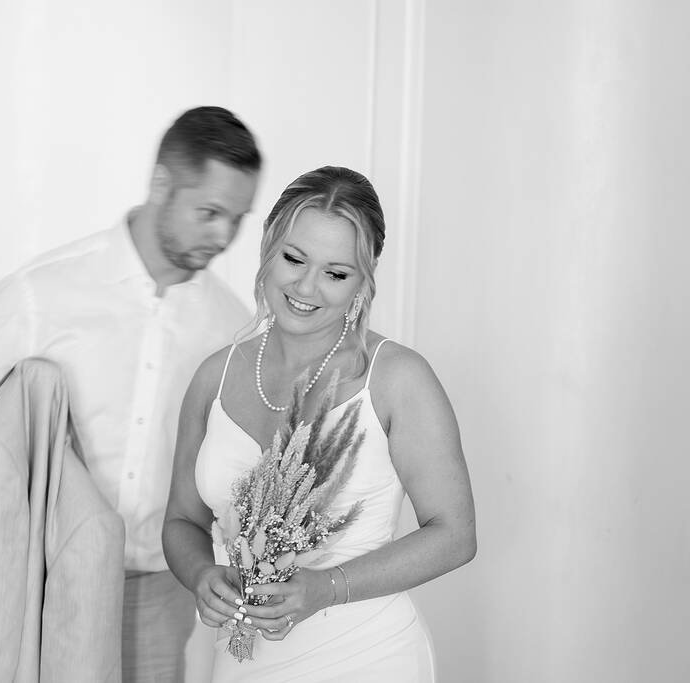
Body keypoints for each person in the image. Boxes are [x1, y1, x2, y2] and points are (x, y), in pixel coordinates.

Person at [0, 106, 262, 682]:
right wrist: (35, 448)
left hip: (160, 592)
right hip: (44, 579)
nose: (224, 236)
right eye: (209, 213)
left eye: (237, 218)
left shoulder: (232, 328)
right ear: (162, 184)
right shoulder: (43, 293)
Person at [162, 166, 477, 682]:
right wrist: (200, 573)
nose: (307, 286)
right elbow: (181, 521)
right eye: (293, 258)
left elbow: (455, 535)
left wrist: (326, 587)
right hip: (242, 663)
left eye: (336, 272)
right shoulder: (213, 377)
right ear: (268, 246)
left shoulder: (398, 379)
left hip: (367, 659)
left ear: (364, 278)